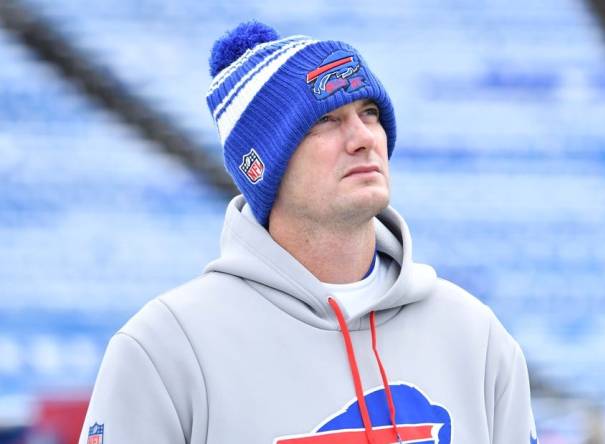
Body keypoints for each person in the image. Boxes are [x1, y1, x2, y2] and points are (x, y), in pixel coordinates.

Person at [79, 20, 537, 444]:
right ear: (265, 166)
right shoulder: (165, 348)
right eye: (326, 120)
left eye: (370, 112)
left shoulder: (475, 336)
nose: (363, 137)